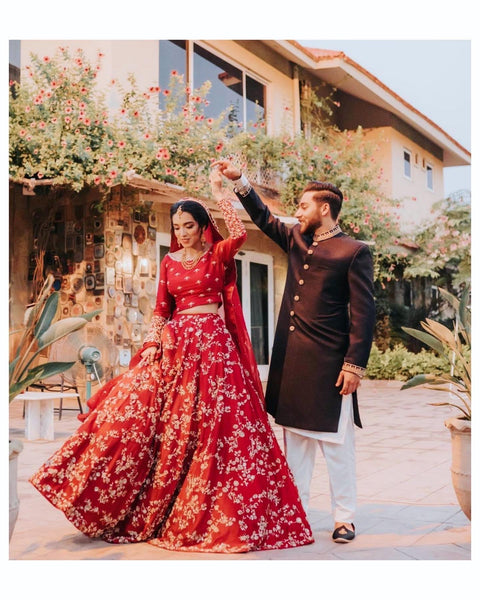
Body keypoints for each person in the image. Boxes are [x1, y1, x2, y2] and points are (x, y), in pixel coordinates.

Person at [30, 168, 314, 553]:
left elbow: (241, 234)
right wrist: (150, 344)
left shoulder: (218, 255)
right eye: (177, 226)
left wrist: (220, 190)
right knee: (132, 415)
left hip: (214, 350)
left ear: (202, 227)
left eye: (188, 226)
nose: (181, 232)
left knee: (218, 429)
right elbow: (162, 310)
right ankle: (99, 491)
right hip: (176, 348)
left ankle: (220, 512)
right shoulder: (168, 263)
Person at [213, 159, 376, 543]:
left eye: (303, 206)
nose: (297, 212)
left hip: (330, 366)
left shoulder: (354, 252)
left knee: (337, 447)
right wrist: (241, 182)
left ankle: (344, 518)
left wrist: (355, 364)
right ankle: (295, 511)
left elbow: (364, 313)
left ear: (324, 208)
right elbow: (265, 218)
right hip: (292, 362)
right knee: (296, 446)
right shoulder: (297, 239)